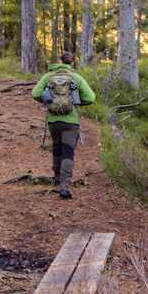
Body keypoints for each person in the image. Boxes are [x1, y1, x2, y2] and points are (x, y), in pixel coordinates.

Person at [32, 52, 96, 199]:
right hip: (71, 122)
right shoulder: (76, 78)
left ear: (59, 61)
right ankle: (65, 185)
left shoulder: (49, 77)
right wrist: (76, 102)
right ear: (72, 64)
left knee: (57, 147)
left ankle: (56, 177)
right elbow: (91, 98)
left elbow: (35, 93)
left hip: (54, 120)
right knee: (68, 152)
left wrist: (48, 101)